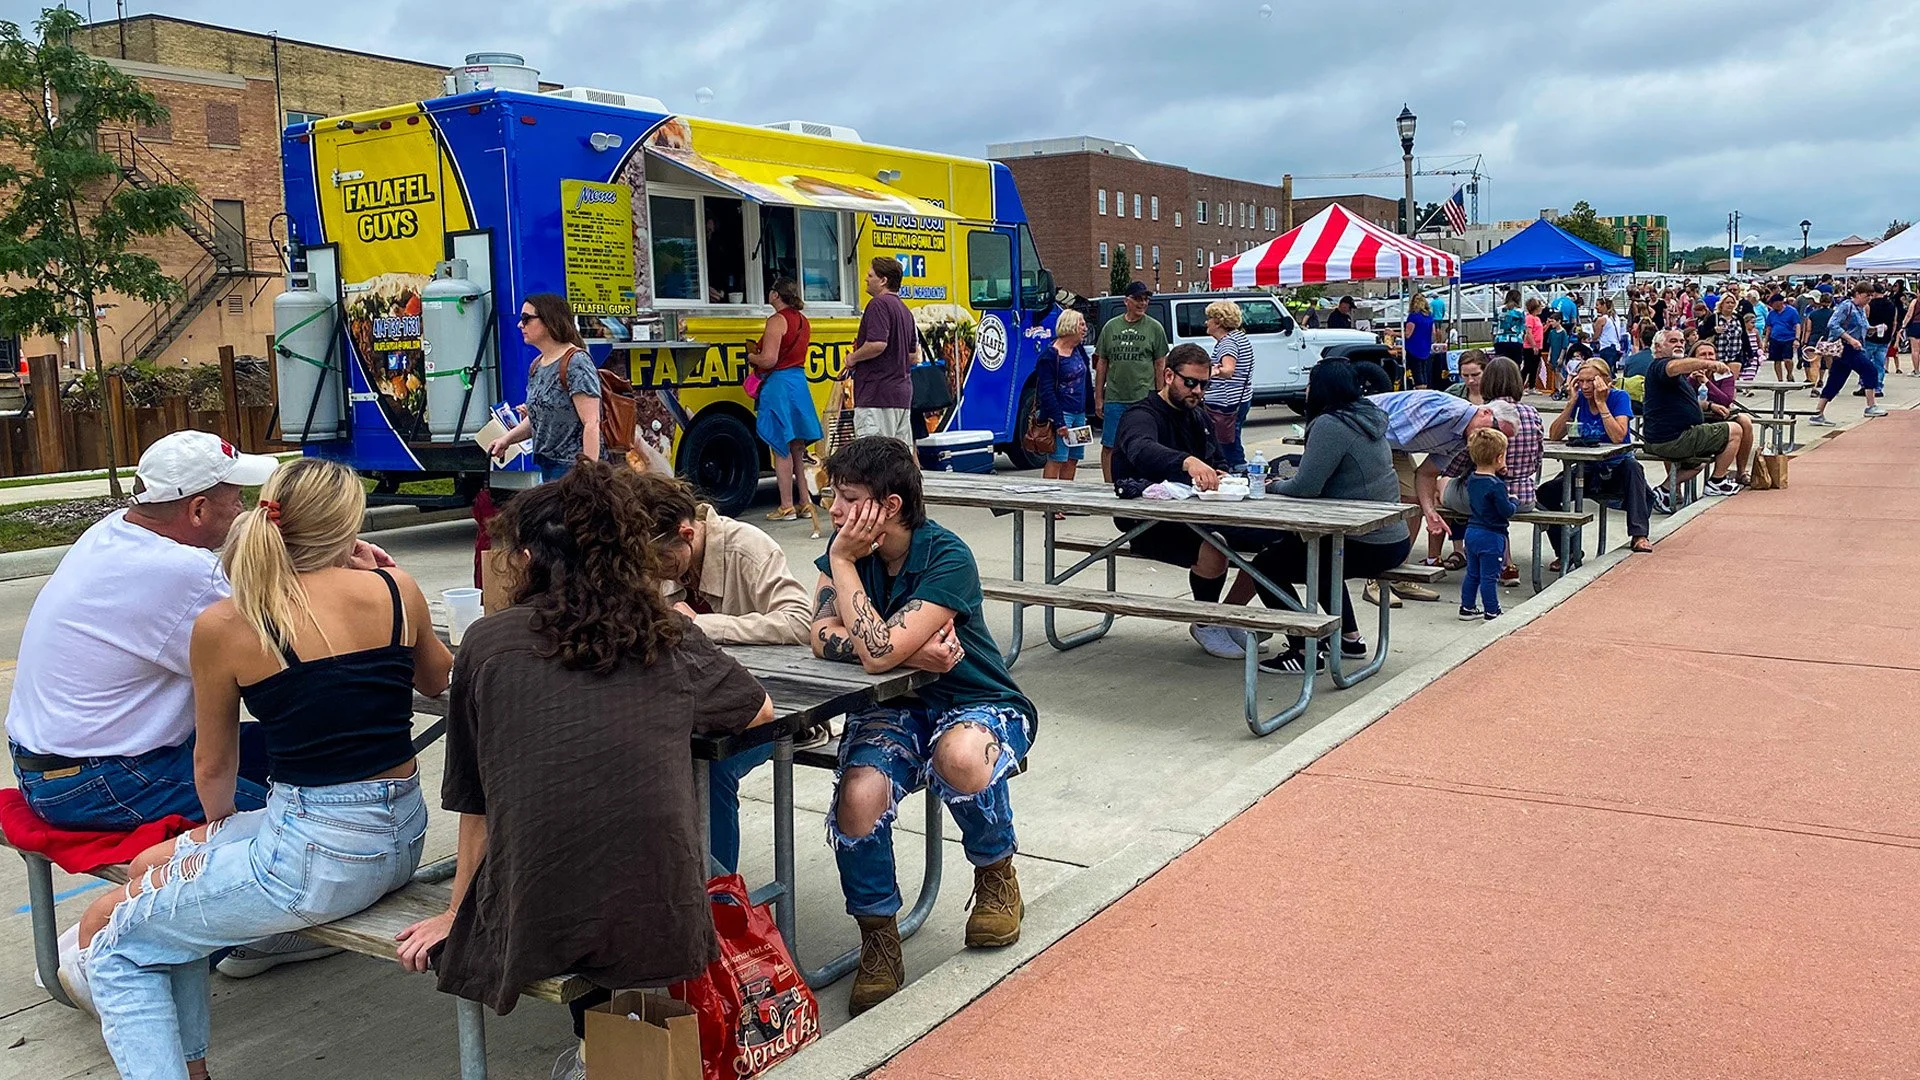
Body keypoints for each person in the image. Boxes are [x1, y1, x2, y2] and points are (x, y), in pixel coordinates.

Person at [73, 459, 452, 1079]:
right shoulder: (394, 588)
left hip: (311, 856)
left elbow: (214, 765)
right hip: (400, 835)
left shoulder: (228, 624)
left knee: (115, 944)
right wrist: (388, 573)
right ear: (349, 527)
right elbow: (437, 681)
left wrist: (215, 831)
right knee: (156, 866)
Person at [393, 461, 773, 1066]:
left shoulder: (487, 647)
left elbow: (476, 804)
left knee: (580, 874)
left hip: (533, 914)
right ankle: (603, 1053)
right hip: (658, 914)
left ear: (526, 558)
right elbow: (758, 710)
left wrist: (455, 910)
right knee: (660, 868)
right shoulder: (665, 636)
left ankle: (591, 1052)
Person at [808, 436, 1036, 1015]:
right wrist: (891, 644)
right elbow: (818, 634)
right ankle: (879, 936)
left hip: (978, 700)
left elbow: (873, 648)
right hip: (892, 708)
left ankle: (996, 874)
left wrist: (876, 642)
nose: (834, 510)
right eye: (834, 495)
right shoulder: (843, 552)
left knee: (959, 756)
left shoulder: (947, 557)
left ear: (887, 506)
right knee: (859, 795)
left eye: (847, 497)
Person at [7, 432, 279, 832]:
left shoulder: (114, 530)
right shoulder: (182, 572)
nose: (244, 508)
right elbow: (275, 660)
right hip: (100, 779)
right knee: (297, 822)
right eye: (237, 497)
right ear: (198, 510)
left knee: (294, 751)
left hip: (52, 766)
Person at [622, 473, 814, 873]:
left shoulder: (747, 547)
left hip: (764, 707)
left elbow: (799, 622)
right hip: (689, 701)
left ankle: (719, 902)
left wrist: (705, 626)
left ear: (687, 533)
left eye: (656, 560)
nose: (651, 572)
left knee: (710, 769)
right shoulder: (664, 558)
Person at [1113, 344, 1286, 656]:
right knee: (1214, 546)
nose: (1197, 391)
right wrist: (1187, 462)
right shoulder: (1141, 415)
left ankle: (1226, 615)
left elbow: (1217, 460)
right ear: (1168, 375)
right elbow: (1141, 448)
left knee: (1274, 540)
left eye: (1205, 384)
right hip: (1147, 515)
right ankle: (1205, 622)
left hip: (1200, 508)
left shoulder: (1199, 416)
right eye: (1190, 382)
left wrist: (1222, 475)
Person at [1251, 359, 1411, 674]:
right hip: (1392, 537)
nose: (1306, 389)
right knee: (1318, 557)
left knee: (1266, 566)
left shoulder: (1331, 424)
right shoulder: (1366, 416)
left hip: (1365, 540)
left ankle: (1302, 648)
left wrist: (1273, 486)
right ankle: (1349, 639)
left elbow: (1306, 487)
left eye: (1310, 383)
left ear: (1321, 389)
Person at [1366, 388, 1521, 607]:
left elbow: (1427, 473)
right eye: (1496, 430)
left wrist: (1430, 512)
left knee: (1412, 504)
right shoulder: (1444, 410)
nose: (1495, 439)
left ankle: (1397, 574)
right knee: (1388, 503)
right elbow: (1384, 427)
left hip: (1393, 447)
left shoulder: (1462, 440)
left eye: (1502, 438)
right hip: (1368, 434)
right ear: (1485, 412)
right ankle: (1375, 580)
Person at [1540, 358, 1654, 561]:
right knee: (1545, 493)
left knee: (1633, 467)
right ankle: (1567, 550)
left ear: (1605, 381)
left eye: (1590, 381)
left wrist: (1601, 403)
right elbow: (1555, 435)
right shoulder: (1580, 399)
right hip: (1588, 467)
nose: (1585, 386)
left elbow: (1618, 436)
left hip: (1617, 467)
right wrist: (1571, 402)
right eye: (1580, 381)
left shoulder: (1619, 397)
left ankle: (1639, 534)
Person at [488, 294, 602, 481]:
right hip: (547, 465)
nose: (520, 325)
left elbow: (591, 422)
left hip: (573, 468)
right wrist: (506, 440)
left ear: (550, 321)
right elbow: (537, 418)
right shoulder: (537, 365)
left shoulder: (576, 362)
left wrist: (588, 475)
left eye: (526, 319)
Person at [751, 279, 823, 521]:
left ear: (776, 295)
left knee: (780, 446)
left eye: (770, 291)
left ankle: (786, 506)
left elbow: (769, 360)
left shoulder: (776, 321)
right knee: (797, 447)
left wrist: (752, 356)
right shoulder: (803, 321)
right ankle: (805, 502)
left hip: (779, 386)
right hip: (798, 385)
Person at [1641, 337, 1746, 496]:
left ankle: (1665, 491)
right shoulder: (1662, 365)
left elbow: (1722, 400)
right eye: (1673, 341)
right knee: (1735, 430)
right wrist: (1708, 365)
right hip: (1672, 439)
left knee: (1699, 461)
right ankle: (1717, 481)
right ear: (1658, 347)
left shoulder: (1678, 375)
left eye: (1682, 342)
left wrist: (1709, 405)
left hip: (1665, 436)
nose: (1679, 344)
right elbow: (1673, 366)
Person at [1093, 281, 1170, 482]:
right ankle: (1109, 485)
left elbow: (1160, 364)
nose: (1142, 303)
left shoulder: (1155, 328)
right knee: (1110, 444)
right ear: (1126, 301)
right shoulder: (1111, 327)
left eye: (1146, 299)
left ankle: (1143, 482)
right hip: (1116, 397)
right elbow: (1102, 364)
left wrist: (1160, 397)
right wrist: (1099, 397)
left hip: (1144, 398)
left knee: (1146, 444)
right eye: (1138, 299)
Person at [844, 256, 921, 446]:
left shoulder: (878, 304)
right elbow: (913, 356)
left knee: (873, 456)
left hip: (876, 394)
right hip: (901, 395)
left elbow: (877, 344)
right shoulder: (905, 310)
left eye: (871, 275)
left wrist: (852, 358)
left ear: (884, 280)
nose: (866, 279)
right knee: (897, 458)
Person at [1457, 428, 1515, 621]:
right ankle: (1492, 610)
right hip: (1491, 535)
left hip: (1472, 530)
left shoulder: (1472, 479)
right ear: (1499, 458)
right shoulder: (1496, 485)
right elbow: (1505, 510)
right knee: (1490, 577)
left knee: (1472, 573)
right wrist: (1514, 502)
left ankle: (1467, 606)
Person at [1809, 282, 1887, 425]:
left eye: (1871, 296)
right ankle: (1870, 405)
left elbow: (1863, 328)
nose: (1869, 299)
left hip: (1851, 347)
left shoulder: (1861, 309)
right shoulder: (1846, 306)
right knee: (1869, 370)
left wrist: (1874, 329)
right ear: (1857, 294)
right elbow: (1832, 324)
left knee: (1836, 380)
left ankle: (1817, 413)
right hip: (1846, 347)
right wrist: (1850, 339)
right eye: (1866, 296)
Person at [1037, 309, 1092, 483]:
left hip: (1079, 414)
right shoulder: (1050, 356)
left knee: (1074, 458)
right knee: (1058, 458)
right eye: (1081, 324)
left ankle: (1066, 501)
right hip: (1062, 414)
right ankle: (1050, 503)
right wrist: (1059, 421)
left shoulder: (1079, 350)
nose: (1085, 328)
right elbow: (1046, 391)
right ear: (1070, 326)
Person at [1201, 299, 1256, 465]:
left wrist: (1211, 371)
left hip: (1225, 403)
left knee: (1227, 442)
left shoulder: (1228, 343)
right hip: (1240, 398)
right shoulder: (1240, 338)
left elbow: (1229, 369)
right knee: (1232, 436)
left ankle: (1237, 468)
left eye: (1209, 318)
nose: (1206, 322)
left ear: (1218, 322)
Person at [1763, 292, 1804, 382]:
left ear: (1779, 302)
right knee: (1776, 360)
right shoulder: (1771, 313)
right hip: (1775, 338)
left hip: (1788, 338)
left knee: (1787, 359)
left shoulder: (1792, 311)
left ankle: (1789, 374)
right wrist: (1766, 342)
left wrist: (1797, 339)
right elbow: (1769, 328)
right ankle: (1780, 380)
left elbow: (1797, 325)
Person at [1866, 281, 1899, 386]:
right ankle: (1878, 386)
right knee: (1880, 364)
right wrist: (1891, 335)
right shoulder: (1891, 305)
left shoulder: (1869, 305)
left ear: (1874, 293)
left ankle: (1866, 385)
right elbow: (1894, 322)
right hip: (1885, 337)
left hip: (1870, 337)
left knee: (1866, 363)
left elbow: (1865, 320)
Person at [1403, 293, 1437, 389]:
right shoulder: (1429, 316)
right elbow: (1433, 333)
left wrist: (1393, 333)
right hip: (1425, 347)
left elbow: (1408, 334)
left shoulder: (1413, 317)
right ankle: (1425, 388)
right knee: (1423, 371)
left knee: (1416, 372)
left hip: (1414, 348)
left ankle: (1420, 390)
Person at [1805, 290, 1834, 390]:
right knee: (1830, 365)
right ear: (1830, 302)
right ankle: (1831, 385)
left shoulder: (1812, 314)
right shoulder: (1834, 314)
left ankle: (1814, 387)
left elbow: (1808, 330)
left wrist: (1805, 342)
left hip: (1814, 340)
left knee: (1814, 365)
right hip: (1828, 340)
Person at [1492, 289, 1525, 369]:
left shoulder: (1498, 310)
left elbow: (1494, 327)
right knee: (1515, 365)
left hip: (1500, 340)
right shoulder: (1520, 311)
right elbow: (1522, 328)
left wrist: (1493, 340)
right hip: (1515, 341)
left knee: (1501, 366)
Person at [1520, 298, 1547, 393]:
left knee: (1535, 367)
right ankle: (1520, 386)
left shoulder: (1537, 318)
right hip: (1530, 346)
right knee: (1527, 366)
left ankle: (1532, 386)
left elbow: (1539, 331)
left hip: (1538, 346)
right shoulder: (1529, 318)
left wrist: (1546, 326)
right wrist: (1533, 345)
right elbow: (1529, 333)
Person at [1543, 309, 1569, 399]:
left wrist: (1561, 357)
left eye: (1553, 321)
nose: (1551, 323)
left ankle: (1565, 385)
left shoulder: (1563, 332)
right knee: (1554, 372)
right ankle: (1557, 388)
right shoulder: (1552, 332)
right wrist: (1549, 355)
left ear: (1559, 321)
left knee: (1558, 372)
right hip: (1553, 354)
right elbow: (1550, 345)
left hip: (1559, 354)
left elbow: (1564, 346)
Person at [1593, 296, 1625, 366]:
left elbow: (1596, 336)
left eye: (1597, 305)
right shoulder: (1615, 317)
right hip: (1616, 347)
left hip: (1606, 348)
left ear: (1603, 305)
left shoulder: (1601, 319)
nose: (1596, 307)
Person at [1905, 287, 1920, 378]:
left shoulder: (1915, 301)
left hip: (1915, 325)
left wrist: (1904, 325)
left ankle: (1916, 370)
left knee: (1915, 350)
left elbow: (1909, 314)